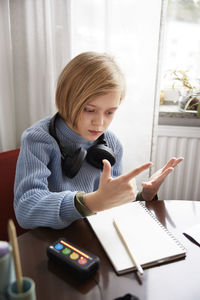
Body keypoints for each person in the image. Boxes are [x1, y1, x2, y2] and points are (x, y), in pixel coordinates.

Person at [14, 51, 183, 229]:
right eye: (89, 109)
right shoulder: (38, 140)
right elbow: (26, 209)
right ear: (67, 100)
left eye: (110, 112)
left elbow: (114, 205)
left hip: (94, 236)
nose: (100, 122)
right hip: (53, 243)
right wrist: (91, 202)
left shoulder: (111, 143)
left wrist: (143, 197)